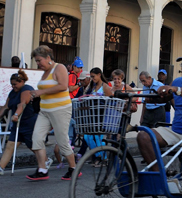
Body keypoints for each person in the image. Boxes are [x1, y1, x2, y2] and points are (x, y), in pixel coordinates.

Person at [27, 46, 78, 181]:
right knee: (37, 138)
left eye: (39, 60)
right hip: (45, 111)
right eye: (36, 61)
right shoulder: (44, 72)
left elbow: (63, 85)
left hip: (60, 109)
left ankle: (73, 168)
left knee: (62, 141)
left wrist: (40, 92)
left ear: (48, 58)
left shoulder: (59, 67)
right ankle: (42, 169)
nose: (38, 64)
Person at [0, 70, 38, 175]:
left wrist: (16, 115)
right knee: (10, 145)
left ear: (21, 81)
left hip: (29, 122)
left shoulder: (26, 89)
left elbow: (22, 104)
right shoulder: (12, 93)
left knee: (32, 145)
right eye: (12, 85)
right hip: (18, 124)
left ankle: (44, 160)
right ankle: (1, 167)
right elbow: (6, 107)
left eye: (15, 84)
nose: (13, 87)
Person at [82, 67, 114, 167]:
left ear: (99, 75)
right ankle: (97, 156)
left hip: (101, 114)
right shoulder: (92, 86)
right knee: (88, 136)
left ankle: (103, 158)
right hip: (92, 114)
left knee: (98, 136)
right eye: (91, 77)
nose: (92, 78)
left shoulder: (105, 86)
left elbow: (110, 100)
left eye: (93, 76)